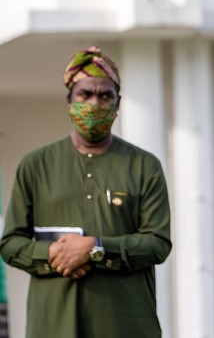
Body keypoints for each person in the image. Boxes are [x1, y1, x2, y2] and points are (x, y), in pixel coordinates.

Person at [0, 46, 172, 338]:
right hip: (53, 325)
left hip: (127, 325)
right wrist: (54, 252)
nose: (95, 103)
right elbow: (10, 244)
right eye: (85, 95)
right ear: (69, 101)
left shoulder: (143, 165)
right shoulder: (36, 164)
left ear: (118, 103)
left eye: (106, 95)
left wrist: (95, 247)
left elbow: (157, 244)